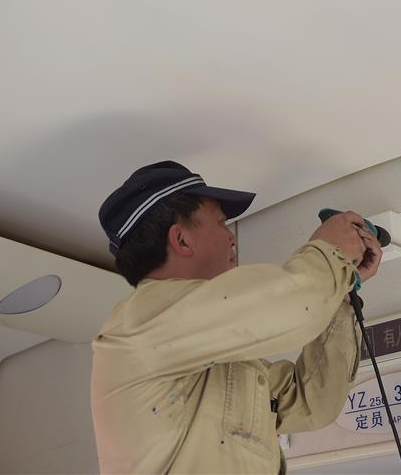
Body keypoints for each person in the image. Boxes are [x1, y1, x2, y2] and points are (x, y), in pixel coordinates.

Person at [91, 161, 382, 473]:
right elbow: (294, 307)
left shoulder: (204, 351)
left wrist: (340, 296)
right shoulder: (141, 319)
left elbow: (313, 403)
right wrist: (329, 252)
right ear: (182, 239)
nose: (232, 239)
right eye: (220, 224)